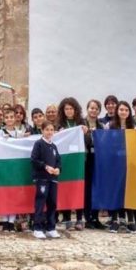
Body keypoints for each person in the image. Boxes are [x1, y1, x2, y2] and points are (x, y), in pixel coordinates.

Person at [107, 101, 136, 234]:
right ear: (117, 111)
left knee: (129, 191)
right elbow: (105, 143)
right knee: (116, 191)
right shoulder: (110, 125)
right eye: (121, 109)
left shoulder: (133, 126)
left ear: (129, 112)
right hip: (114, 162)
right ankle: (115, 220)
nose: (123, 112)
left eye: (126, 110)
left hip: (129, 162)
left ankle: (130, 220)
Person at [57, 97, 87, 230]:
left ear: (76, 110)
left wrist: (86, 133)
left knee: (78, 187)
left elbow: (89, 140)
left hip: (79, 159)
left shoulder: (81, 122)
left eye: (71, 108)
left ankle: (80, 218)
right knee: (66, 187)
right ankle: (67, 217)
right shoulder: (59, 124)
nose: (69, 111)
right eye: (66, 109)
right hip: (65, 159)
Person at [31, 121, 62, 240]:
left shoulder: (54, 146)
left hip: (53, 179)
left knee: (52, 203)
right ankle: (37, 228)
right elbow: (34, 160)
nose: (49, 132)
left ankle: (51, 227)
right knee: (40, 202)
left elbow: (58, 160)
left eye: (51, 130)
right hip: (42, 178)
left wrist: (58, 168)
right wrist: (45, 166)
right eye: (47, 129)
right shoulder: (38, 144)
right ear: (42, 131)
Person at [0, 108, 26, 232]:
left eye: (11, 117)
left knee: (14, 193)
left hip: (16, 167)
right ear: (4, 119)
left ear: (15, 119)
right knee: (5, 193)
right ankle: (5, 220)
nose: (9, 119)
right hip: (5, 166)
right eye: (7, 117)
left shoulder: (19, 133)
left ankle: (11, 220)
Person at [83, 99, 105, 229]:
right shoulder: (82, 123)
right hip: (86, 159)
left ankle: (95, 217)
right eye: (92, 108)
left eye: (96, 108)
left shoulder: (101, 126)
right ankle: (88, 217)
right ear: (87, 109)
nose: (94, 110)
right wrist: (88, 133)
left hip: (98, 159)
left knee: (97, 188)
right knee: (87, 189)